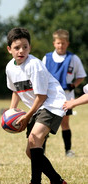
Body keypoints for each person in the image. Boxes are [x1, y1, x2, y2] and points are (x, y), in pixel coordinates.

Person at [6, 27, 68, 184]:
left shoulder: (34, 65)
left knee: (34, 139)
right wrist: (12, 110)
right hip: (39, 107)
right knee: (31, 151)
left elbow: (41, 96)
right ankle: (57, 182)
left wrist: (27, 116)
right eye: (17, 47)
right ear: (9, 49)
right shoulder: (10, 68)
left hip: (52, 103)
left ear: (30, 48)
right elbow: (15, 91)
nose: (21, 51)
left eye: (25, 47)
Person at [42, 29, 87, 157]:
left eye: (63, 43)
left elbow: (81, 76)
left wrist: (74, 85)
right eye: (58, 43)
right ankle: (42, 151)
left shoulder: (73, 58)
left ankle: (68, 150)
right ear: (54, 43)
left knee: (65, 123)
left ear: (67, 43)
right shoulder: (47, 57)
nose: (60, 45)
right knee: (45, 122)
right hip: (49, 96)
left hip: (67, 95)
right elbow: (42, 75)